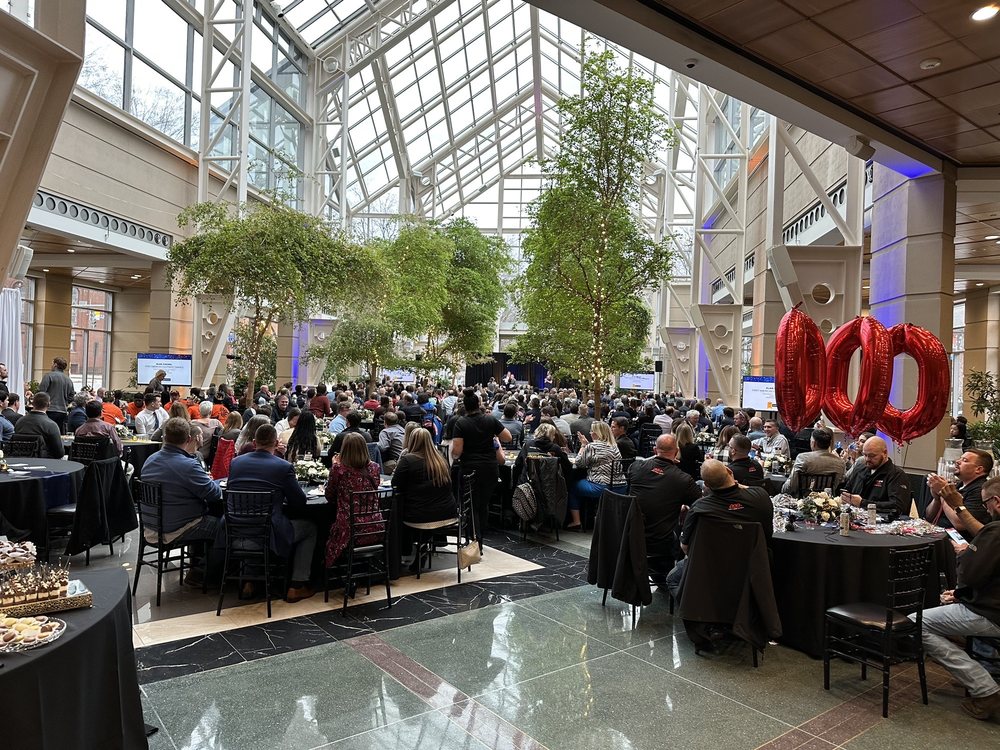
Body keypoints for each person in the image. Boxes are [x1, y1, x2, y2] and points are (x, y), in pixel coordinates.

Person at [910, 476, 1000, 720]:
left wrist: (960, 588)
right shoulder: (992, 532)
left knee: (915, 623)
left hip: (990, 613)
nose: (985, 510)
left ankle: (985, 689)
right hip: (989, 603)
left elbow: (971, 575)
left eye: (986, 504)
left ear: (997, 503)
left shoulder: (995, 530)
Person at [227, 424, 317, 602]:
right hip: (268, 533)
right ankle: (296, 585)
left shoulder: (236, 462)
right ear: (276, 443)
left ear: (254, 442)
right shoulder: (282, 467)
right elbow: (299, 501)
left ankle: (250, 581)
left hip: (234, 529)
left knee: (252, 520)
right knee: (310, 528)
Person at [665, 458, 773, 599]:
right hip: (755, 565)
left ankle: (700, 610)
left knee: (672, 580)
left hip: (712, 567)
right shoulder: (761, 496)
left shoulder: (699, 508)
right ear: (729, 471)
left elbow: (686, 548)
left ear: (707, 485)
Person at [628, 434, 701, 584]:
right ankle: (670, 580)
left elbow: (651, 488)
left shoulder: (636, 468)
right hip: (660, 541)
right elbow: (700, 504)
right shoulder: (683, 479)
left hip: (628, 535)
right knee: (684, 526)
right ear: (677, 452)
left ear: (655, 450)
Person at [451, 388, 511, 540]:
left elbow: (457, 451)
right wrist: (494, 439)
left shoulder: (461, 423)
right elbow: (508, 437)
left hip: (470, 469)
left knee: (471, 505)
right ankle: (480, 537)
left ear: (465, 405)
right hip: (490, 468)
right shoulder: (490, 420)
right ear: (479, 404)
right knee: (483, 504)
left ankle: (474, 538)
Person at [324, 432, 383, 567]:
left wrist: (334, 466)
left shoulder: (340, 470)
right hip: (376, 526)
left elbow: (329, 496)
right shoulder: (375, 467)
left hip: (349, 530)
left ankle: (329, 573)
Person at [391, 428, 456, 527]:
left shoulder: (408, 460)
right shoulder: (441, 458)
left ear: (411, 441)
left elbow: (395, 485)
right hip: (448, 514)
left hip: (420, 517)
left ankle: (402, 542)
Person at [569, 421, 623, 530]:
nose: (590, 433)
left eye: (592, 431)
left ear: (597, 433)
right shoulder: (614, 446)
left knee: (572, 487)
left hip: (601, 487)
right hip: (620, 486)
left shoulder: (592, 447)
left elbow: (580, 463)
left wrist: (583, 446)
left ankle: (576, 521)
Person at [840, 436, 911, 518]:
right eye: (865, 455)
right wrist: (845, 498)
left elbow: (898, 506)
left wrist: (863, 503)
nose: (867, 459)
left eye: (872, 456)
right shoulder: (860, 469)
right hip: (855, 518)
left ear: (885, 453)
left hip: (882, 523)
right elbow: (847, 490)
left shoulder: (896, 475)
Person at [926, 449, 993, 532]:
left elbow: (960, 524)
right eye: (960, 458)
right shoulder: (958, 485)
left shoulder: (981, 490)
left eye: (965, 460)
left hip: (958, 541)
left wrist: (943, 491)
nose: (957, 461)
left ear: (978, 469)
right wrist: (936, 498)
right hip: (937, 532)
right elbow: (929, 517)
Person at [780, 426, 845, 495]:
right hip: (828, 502)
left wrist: (782, 489)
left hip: (802, 500)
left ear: (813, 443)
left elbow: (791, 485)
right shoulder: (840, 462)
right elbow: (839, 484)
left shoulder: (803, 458)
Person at [511, 423, 573, 488]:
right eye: (553, 435)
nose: (554, 437)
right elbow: (568, 467)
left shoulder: (528, 445)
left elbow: (518, 464)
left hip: (527, 485)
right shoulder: (555, 448)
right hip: (549, 486)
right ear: (551, 435)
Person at [13, 392, 64, 458]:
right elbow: (59, 453)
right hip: (44, 462)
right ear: (49, 404)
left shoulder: (19, 422)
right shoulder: (51, 425)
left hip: (19, 459)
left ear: (32, 403)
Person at [38, 357, 74, 434]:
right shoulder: (68, 380)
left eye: (52, 363)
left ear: (55, 365)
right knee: (58, 433)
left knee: (47, 433)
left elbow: (41, 392)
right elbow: (71, 396)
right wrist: (65, 402)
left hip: (49, 410)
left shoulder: (48, 376)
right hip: (63, 411)